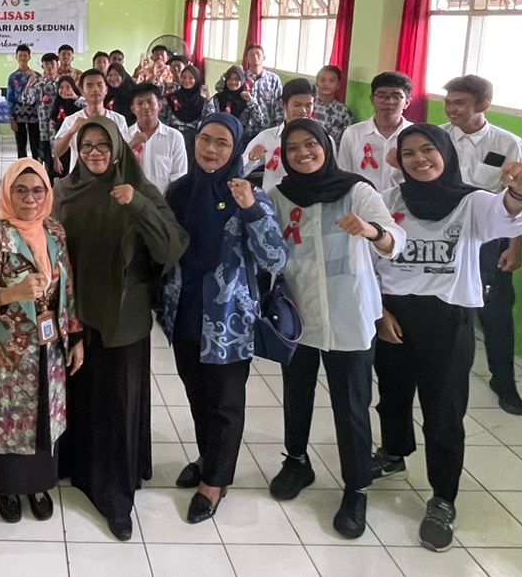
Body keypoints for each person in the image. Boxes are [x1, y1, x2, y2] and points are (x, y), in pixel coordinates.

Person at [372, 125, 522, 551]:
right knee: (392, 395)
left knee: (444, 411)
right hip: (393, 314)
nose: (419, 159)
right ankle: (393, 453)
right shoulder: (389, 201)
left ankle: (443, 498)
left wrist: (521, 193)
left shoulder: (472, 202)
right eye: (409, 153)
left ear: (446, 153)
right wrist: (379, 312)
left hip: (447, 318)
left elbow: (508, 214)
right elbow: (369, 259)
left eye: (428, 150)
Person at [264, 119, 403, 540]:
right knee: (296, 394)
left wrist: (371, 231)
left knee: (351, 405)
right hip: (299, 315)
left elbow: (395, 240)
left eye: (311, 144)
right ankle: (296, 461)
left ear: (326, 146)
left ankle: (356, 488)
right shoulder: (279, 196)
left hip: (349, 316)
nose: (303, 153)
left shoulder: (356, 191)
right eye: (293, 148)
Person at [55, 117, 187, 539]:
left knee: (117, 401)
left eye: (102, 145)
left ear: (117, 149)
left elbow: (170, 247)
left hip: (122, 317)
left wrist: (137, 205)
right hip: (76, 315)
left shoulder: (140, 190)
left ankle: (115, 493)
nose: (94, 153)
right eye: (86, 146)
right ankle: (78, 467)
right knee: (81, 395)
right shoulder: (65, 191)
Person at [159, 113, 287, 523]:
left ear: (235, 150)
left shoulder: (249, 194)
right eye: (205, 140)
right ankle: (207, 456)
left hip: (229, 320)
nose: (211, 149)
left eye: (222, 143)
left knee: (226, 402)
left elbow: (275, 258)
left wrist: (250, 210)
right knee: (197, 393)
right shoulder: (179, 190)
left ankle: (215, 481)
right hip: (184, 311)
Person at [0, 159, 81, 525]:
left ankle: (38, 485)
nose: (30, 198)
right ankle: (7, 487)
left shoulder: (54, 232)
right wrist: (13, 292)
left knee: (43, 415)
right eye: (21, 190)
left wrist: (75, 336)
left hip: (51, 345)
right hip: (9, 350)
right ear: (8, 193)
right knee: (10, 416)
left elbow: (68, 288)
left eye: (38, 190)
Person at [441, 75, 522, 416]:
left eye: (460, 103)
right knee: (448, 312)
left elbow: (521, 196)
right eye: (448, 102)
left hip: (490, 240)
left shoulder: (508, 143)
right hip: (447, 237)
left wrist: (515, 244)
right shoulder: (438, 138)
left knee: (496, 312)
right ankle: (444, 377)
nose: (451, 109)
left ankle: (504, 381)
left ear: (483, 105)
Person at [338, 71, 413, 192]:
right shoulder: (352, 134)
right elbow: (344, 175)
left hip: (401, 201)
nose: (388, 101)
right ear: (372, 99)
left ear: (407, 103)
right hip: (362, 201)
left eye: (396, 96)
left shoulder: (415, 136)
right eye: (381, 95)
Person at [245, 78, 317, 192]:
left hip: (307, 200)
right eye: (297, 105)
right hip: (272, 200)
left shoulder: (322, 140)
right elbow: (239, 171)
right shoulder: (267, 137)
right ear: (284, 104)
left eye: (308, 105)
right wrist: (251, 158)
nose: (303, 110)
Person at [51, 69, 128, 174]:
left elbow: (124, 151)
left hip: (110, 178)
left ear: (106, 89)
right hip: (79, 178)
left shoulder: (118, 120)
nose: (95, 89)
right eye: (90, 86)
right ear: (82, 91)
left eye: (99, 85)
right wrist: (72, 131)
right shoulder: (72, 120)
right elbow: (57, 151)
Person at [121, 83, 188, 194]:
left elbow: (178, 176)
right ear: (133, 109)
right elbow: (117, 171)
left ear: (160, 105)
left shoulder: (174, 137)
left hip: (164, 201)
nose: (145, 107)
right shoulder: (124, 136)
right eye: (140, 103)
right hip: (132, 201)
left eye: (150, 102)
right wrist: (130, 146)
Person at [215, 45, 281, 132]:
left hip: (267, 129)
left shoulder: (273, 79)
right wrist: (227, 73)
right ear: (246, 58)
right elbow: (219, 88)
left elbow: (279, 105)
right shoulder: (240, 77)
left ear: (264, 57)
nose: (255, 56)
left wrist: (277, 128)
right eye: (251, 54)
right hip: (245, 129)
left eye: (258, 54)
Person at [7, 44, 41, 160]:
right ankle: (22, 168)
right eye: (20, 55)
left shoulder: (37, 76)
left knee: (36, 145)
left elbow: (41, 96)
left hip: (35, 113)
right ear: (16, 57)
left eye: (25, 55)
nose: (22, 58)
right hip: (18, 113)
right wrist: (11, 118)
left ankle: (36, 167)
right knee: (21, 145)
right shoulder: (13, 77)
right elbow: (10, 98)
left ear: (29, 57)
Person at [28, 53, 60, 173]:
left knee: (62, 155)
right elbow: (27, 100)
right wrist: (29, 84)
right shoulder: (38, 86)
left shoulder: (63, 84)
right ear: (42, 67)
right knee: (47, 156)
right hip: (44, 127)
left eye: (52, 64)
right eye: (46, 65)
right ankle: (49, 180)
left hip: (60, 125)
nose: (50, 67)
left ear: (58, 65)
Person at [212, 67, 259, 143]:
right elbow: (208, 117)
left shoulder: (247, 100)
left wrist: (251, 102)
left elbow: (259, 121)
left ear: (242, 80)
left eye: (237, 79)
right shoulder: (218, 98)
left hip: (241, 142)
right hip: (219, 138)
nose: (233, 82)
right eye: (229, 79)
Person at [314, 65, 354, 144]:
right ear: (316, 83)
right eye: (322, 80)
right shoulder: (309, 105)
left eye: (332, 81)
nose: (326, 84)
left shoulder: (344, 112)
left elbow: (347, 141)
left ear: (338, 85)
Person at [165, 64, 206, 132]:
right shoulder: (171, 98)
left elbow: (206, 124)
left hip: (194, 137)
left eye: (191, 78)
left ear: (197, 79)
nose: (186, 80)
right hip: (171, 135)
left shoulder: (203, 102)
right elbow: (162, 120)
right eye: (183, 77)